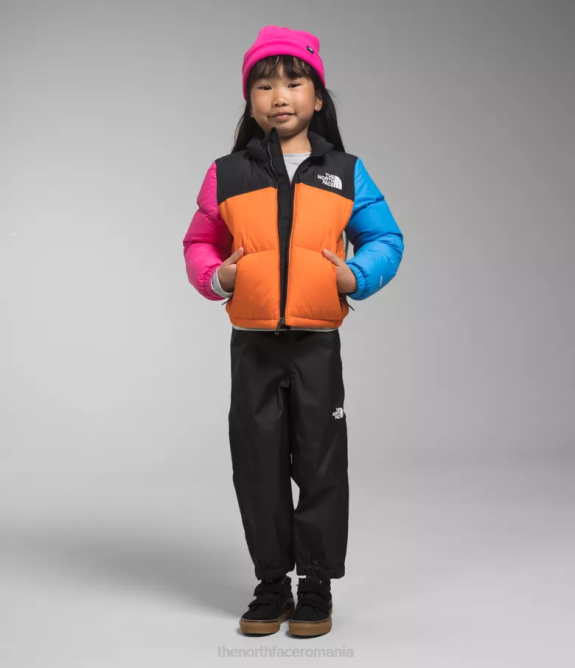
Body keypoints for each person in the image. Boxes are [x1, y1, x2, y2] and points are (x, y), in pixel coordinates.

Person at [182, 25, 404, 638]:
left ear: (317, 96)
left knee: (321, 462)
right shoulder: (227, 173)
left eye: (293, 82)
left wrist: (356, 276)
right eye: (264, 85)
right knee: (256, 464)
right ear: (249, 100)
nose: (279, 95)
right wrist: (219, 276)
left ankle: (317, 586)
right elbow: (200, 242)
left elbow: (385, 238)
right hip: (253, 343)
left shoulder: (345, 172)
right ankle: (271, 585)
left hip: (315, 344)